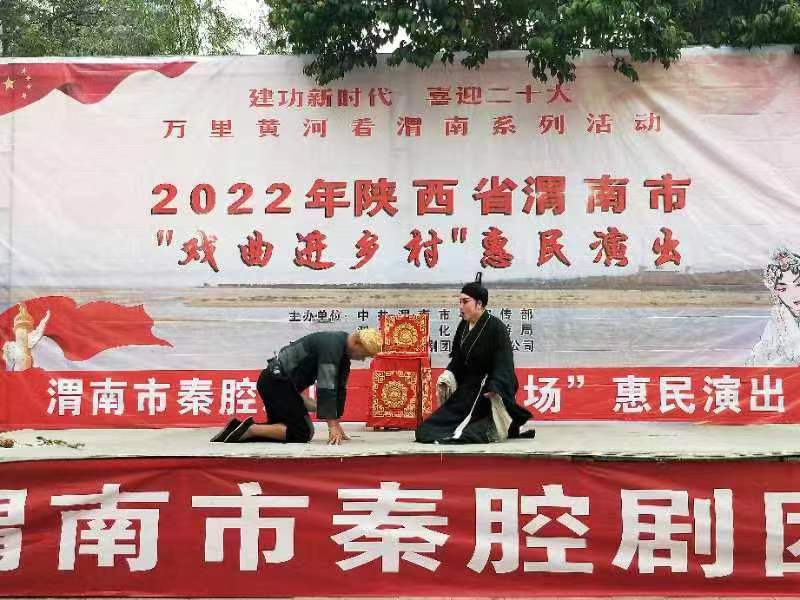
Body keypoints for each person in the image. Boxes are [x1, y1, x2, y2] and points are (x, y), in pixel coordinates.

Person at [415, 273, 533, 444]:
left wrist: (495, 387)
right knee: (425, 430)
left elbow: (504, 363)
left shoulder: (496, 328)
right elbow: (458, 360)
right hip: (467, 389)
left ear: (479, 304)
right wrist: (448, 374)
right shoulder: (463, 326)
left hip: (487, 390)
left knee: (469, 433)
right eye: (459, 302)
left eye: (465, 302)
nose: (461, 306)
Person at [212, 328, 382, 445]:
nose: (362, 359)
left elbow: (339, 389)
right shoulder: (332, 346)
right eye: (364, 354)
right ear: (357, 343)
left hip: (283, 386)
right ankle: (250, 428)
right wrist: (331, 425)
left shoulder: (342, 350)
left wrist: (336, 422)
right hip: (275, 383)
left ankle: (236, 428)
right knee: (301, 432)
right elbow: (327, 386)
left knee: (283, 428)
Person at [748, 247, 800, 366]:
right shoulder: (778, 322)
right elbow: (758, 362)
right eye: (782, 289)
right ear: (776, 293)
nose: (794, 295)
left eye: (799, 284)